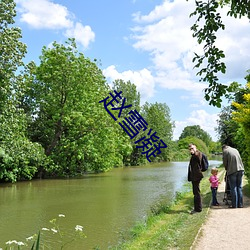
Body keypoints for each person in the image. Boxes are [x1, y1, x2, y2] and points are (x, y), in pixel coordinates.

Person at [188, 143, 204, 214]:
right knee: (196, 192)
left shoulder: (198, 154)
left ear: (195, 148)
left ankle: (198, 209)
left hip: (196, 176)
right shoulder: (194, 155)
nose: (191, 150)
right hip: (195, 176)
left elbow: (198, 158)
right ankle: (197, 208)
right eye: (190, 149)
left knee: (196, 192)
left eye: (192, 148)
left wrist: (194, 152)